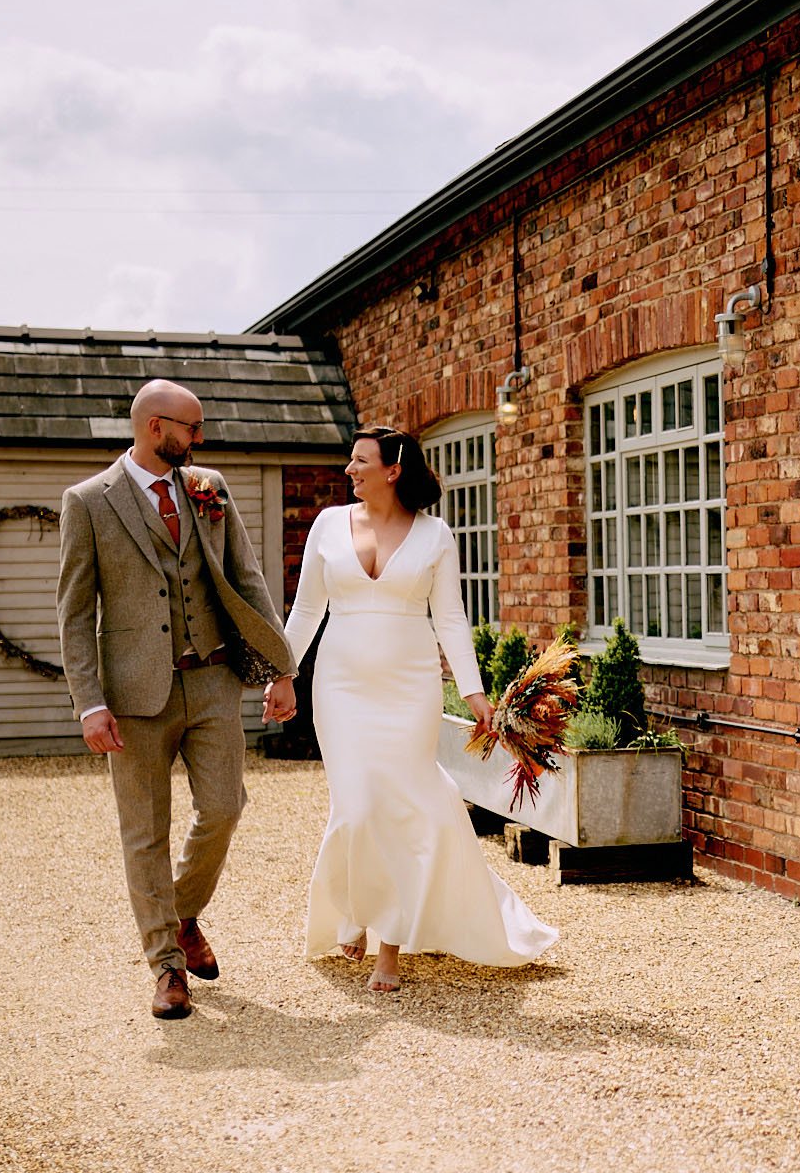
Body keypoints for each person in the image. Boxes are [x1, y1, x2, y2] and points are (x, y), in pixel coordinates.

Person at [272, 425, 557, 992]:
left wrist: (475, 692)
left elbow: (450, 618)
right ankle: (354, 912)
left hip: (410, 689)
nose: (348, 470)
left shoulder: (435, 536)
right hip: (341, 687)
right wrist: (284, 674)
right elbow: (305, 612)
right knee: (356, 808)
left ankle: (388, 947)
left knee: (396, 809)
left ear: (393, 469)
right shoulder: (329, 525)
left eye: (359, 461)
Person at [54, 380, 298, 1020]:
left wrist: (281, 670)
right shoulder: (88, 503)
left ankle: (184, 913)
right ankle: (166, 966)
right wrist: (89, 703)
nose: (199, 439)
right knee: (145, 834)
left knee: (224, 806)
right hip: (135, 696)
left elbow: (247, 578)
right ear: (154, 427)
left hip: (213, 679)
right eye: (191, 428)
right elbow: (75, 613)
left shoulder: (208, 488)